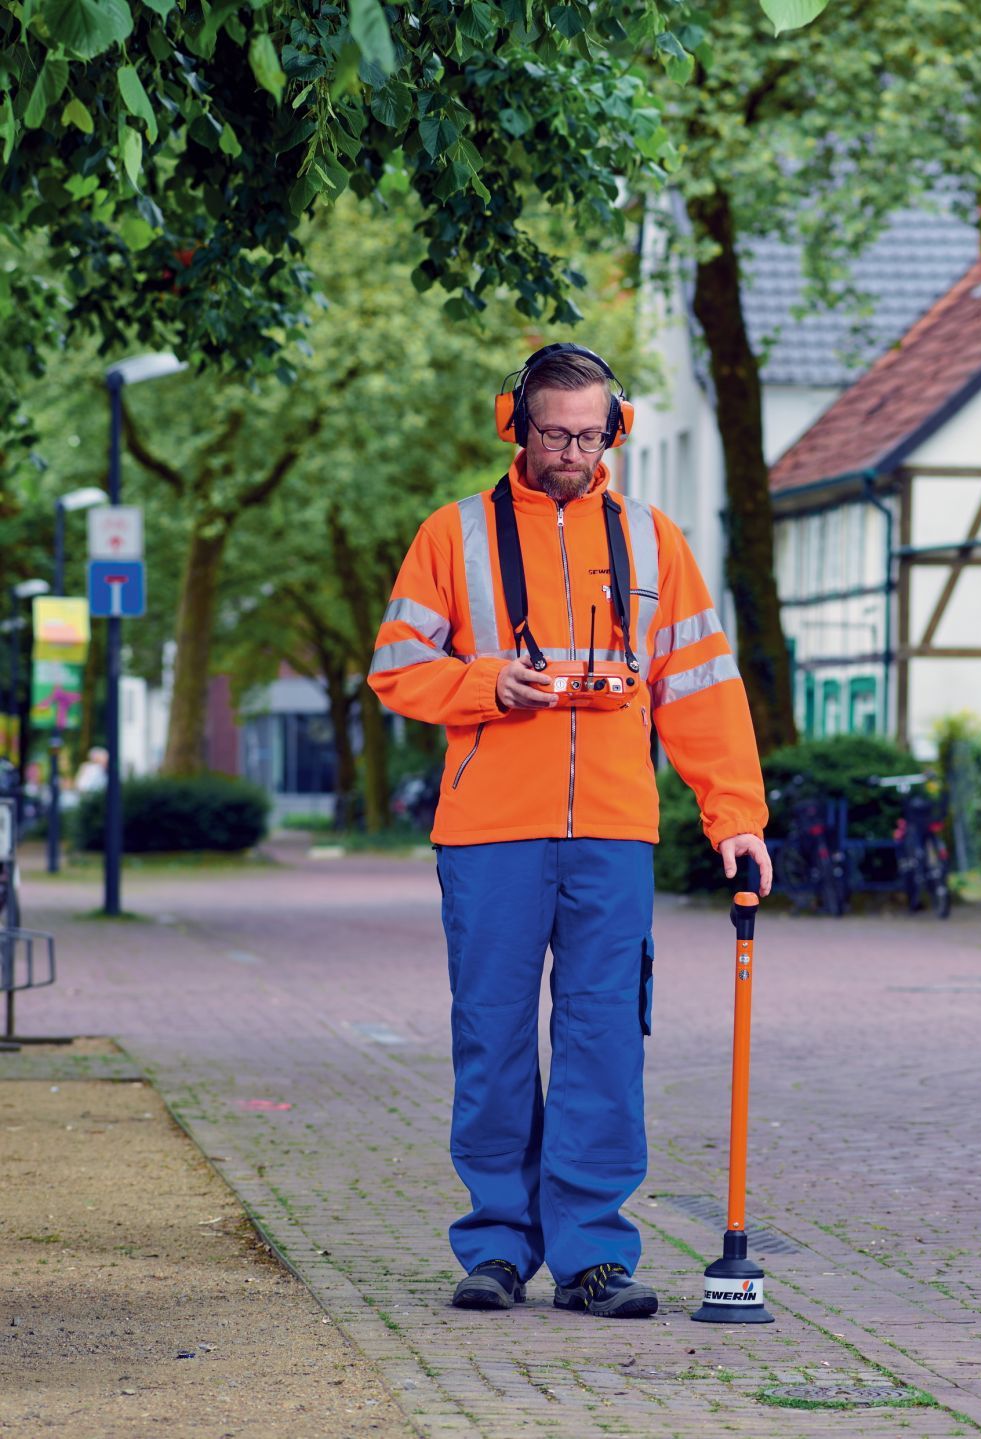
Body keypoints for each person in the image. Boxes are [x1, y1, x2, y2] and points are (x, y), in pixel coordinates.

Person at [368, 343, 771, 1319]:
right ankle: (499, 1243)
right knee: (494, 1038)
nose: (572, 452)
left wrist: (736, 818)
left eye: (590, 434)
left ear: (615, 427)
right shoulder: (451, 535)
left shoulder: (652, 540)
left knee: (603, 1040)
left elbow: (704, 692)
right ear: (516, 420)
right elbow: (395, 665)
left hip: (614, 833)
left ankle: (594, 1251)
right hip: (488, 832)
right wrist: (482, 683)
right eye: (554, 432)